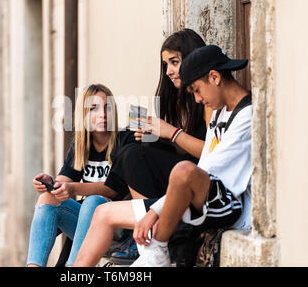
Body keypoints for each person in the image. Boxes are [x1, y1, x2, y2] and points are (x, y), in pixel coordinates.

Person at [73, 45, 251, 267]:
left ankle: (158, 248)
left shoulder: (247, 117)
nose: (196, 99)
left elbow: (206, 171)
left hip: (224, 205)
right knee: (102, 213)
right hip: (194, 200)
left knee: (181, 169)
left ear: (214, 77)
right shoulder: (221, 111)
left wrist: (156, 212)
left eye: (196, 90)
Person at [102, 29, 211, 264]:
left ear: (192, 59)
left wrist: (171, 133)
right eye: (166, 64)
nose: (169, 71)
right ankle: (143, 225)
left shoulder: (207, 96)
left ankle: (147, 233)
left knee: (132, 155)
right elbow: (179, 149)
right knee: (126, 140)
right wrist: (154, 136)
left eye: (174, 62)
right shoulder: (175, 98)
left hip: (197, 178)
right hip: (179, 166)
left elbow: (209, 154)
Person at [26, 84, 135, 267]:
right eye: (94, 108)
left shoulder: (126, 139)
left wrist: (72, 188)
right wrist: (51, 183)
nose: (102, 114)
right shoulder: (82, 146)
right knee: (47, 198)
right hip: (88, 225)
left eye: (107, 107)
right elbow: (64, 182)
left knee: (93, 201)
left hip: (120, 229)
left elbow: (112, 189)